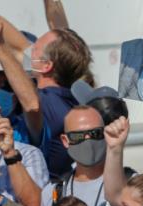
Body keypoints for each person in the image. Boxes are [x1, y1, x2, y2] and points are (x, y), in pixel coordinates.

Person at [23, 27, 93, 178]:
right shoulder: (71, 99)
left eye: (34, 48)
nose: (28, 52)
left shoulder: (45, 101)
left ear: (46, 66)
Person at [40, 105, 114, 206]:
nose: (88, 140)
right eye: (78, 136)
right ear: (65, 140)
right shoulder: (52, 193)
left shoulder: (129, 185)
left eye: (95, 133)